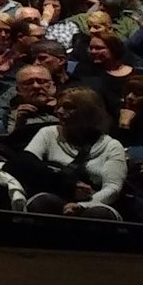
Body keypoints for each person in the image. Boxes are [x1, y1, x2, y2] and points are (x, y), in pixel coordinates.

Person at [10, 88, 130, 219]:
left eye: (68, 108)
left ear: (88, 113)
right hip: (55, 194)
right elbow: (24, 164)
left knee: (97, 214)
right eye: (59, 106)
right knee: (43, 202)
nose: (59, 112)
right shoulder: (48, 133)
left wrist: (81, 205)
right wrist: (66, 186)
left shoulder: (111, 146)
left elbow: (113, 188)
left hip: (95, 202)